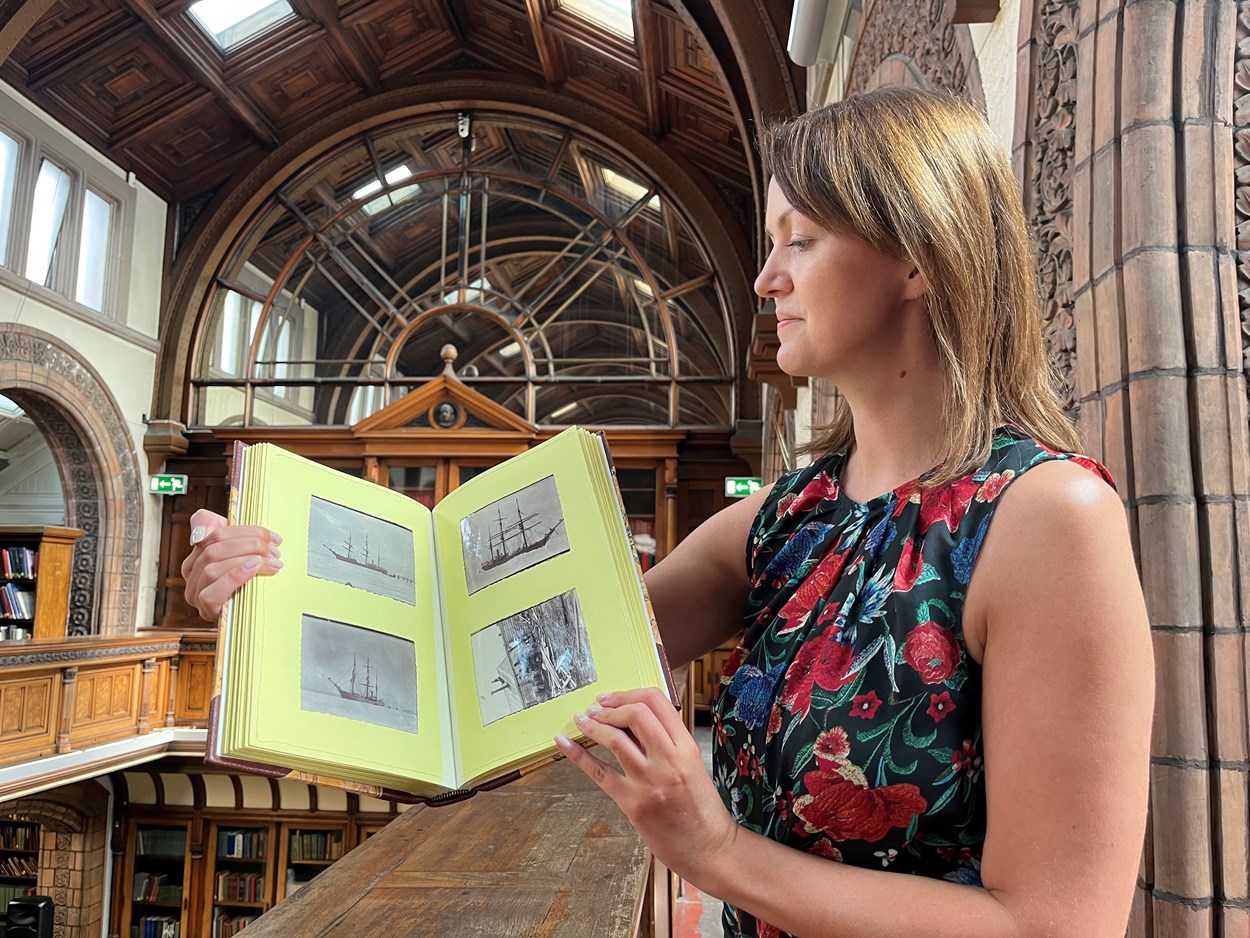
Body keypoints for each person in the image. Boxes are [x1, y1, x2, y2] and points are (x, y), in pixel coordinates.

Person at [181, 87, 1152, 938]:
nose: (767, 280)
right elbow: (491, 680)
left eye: (797, 242)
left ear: (918, 254)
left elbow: (1053, 922)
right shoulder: (784, 518)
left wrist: (714, 850)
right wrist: (274, 585)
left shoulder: (1045, 517)